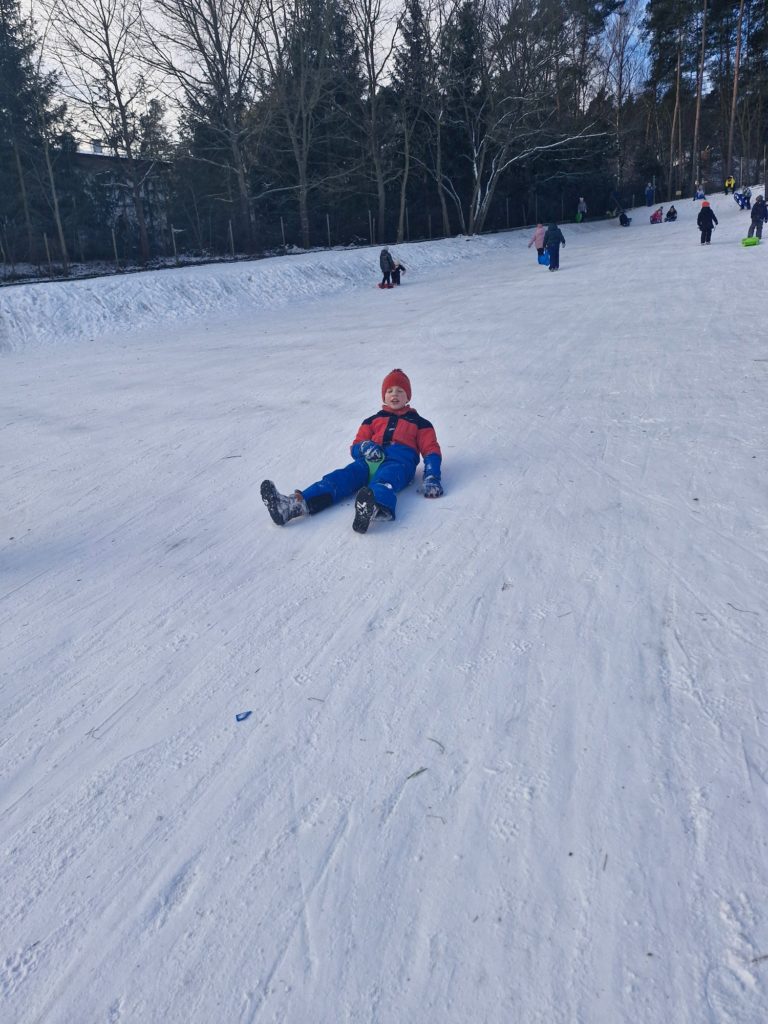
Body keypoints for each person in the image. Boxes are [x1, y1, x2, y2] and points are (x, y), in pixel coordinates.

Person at [260, 369, 443, 535]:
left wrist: (431, 476)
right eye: (390, 391)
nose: (394, 394)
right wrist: (364, 447)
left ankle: (373, 507)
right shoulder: (371, 421)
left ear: (408, 396)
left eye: (400, 391)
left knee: (385, 480)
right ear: (384, 396)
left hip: (399, 463)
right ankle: (293, 505)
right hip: (368, 461)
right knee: (339, 478)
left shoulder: (420, 423)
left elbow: (431, 450)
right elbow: (356, 446)